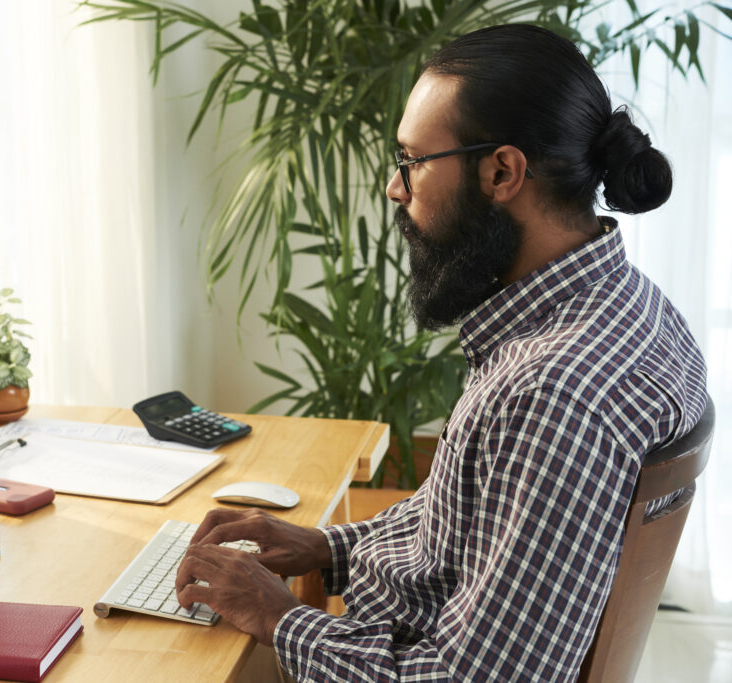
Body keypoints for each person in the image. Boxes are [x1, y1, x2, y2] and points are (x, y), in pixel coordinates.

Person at [174, 24, 708, 681]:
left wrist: (280, 618)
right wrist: (321, 546)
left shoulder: (552, 393)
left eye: (411, 162)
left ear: (501, 172)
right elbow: (466, 532)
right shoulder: (632, 309)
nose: (396, 189)